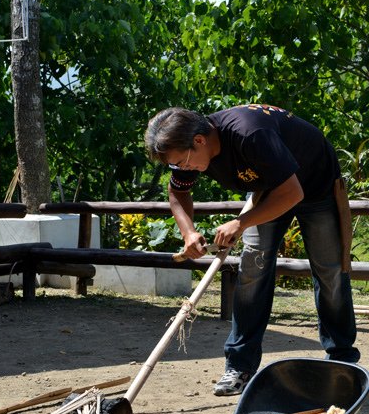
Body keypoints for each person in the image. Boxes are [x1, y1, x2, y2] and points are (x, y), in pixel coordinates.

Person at [145, 104, 360, 396]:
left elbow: (293, 193)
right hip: (268, 188)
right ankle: (240, 366)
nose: (184, 169)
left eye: (183, 162)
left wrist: (241, 222)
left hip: (315, 183)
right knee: (252, 271)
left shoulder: (250, 134)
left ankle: (342, 359)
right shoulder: (187, 149)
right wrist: (189, 232)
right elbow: (178, 191)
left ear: (199, 141)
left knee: (330, 271)